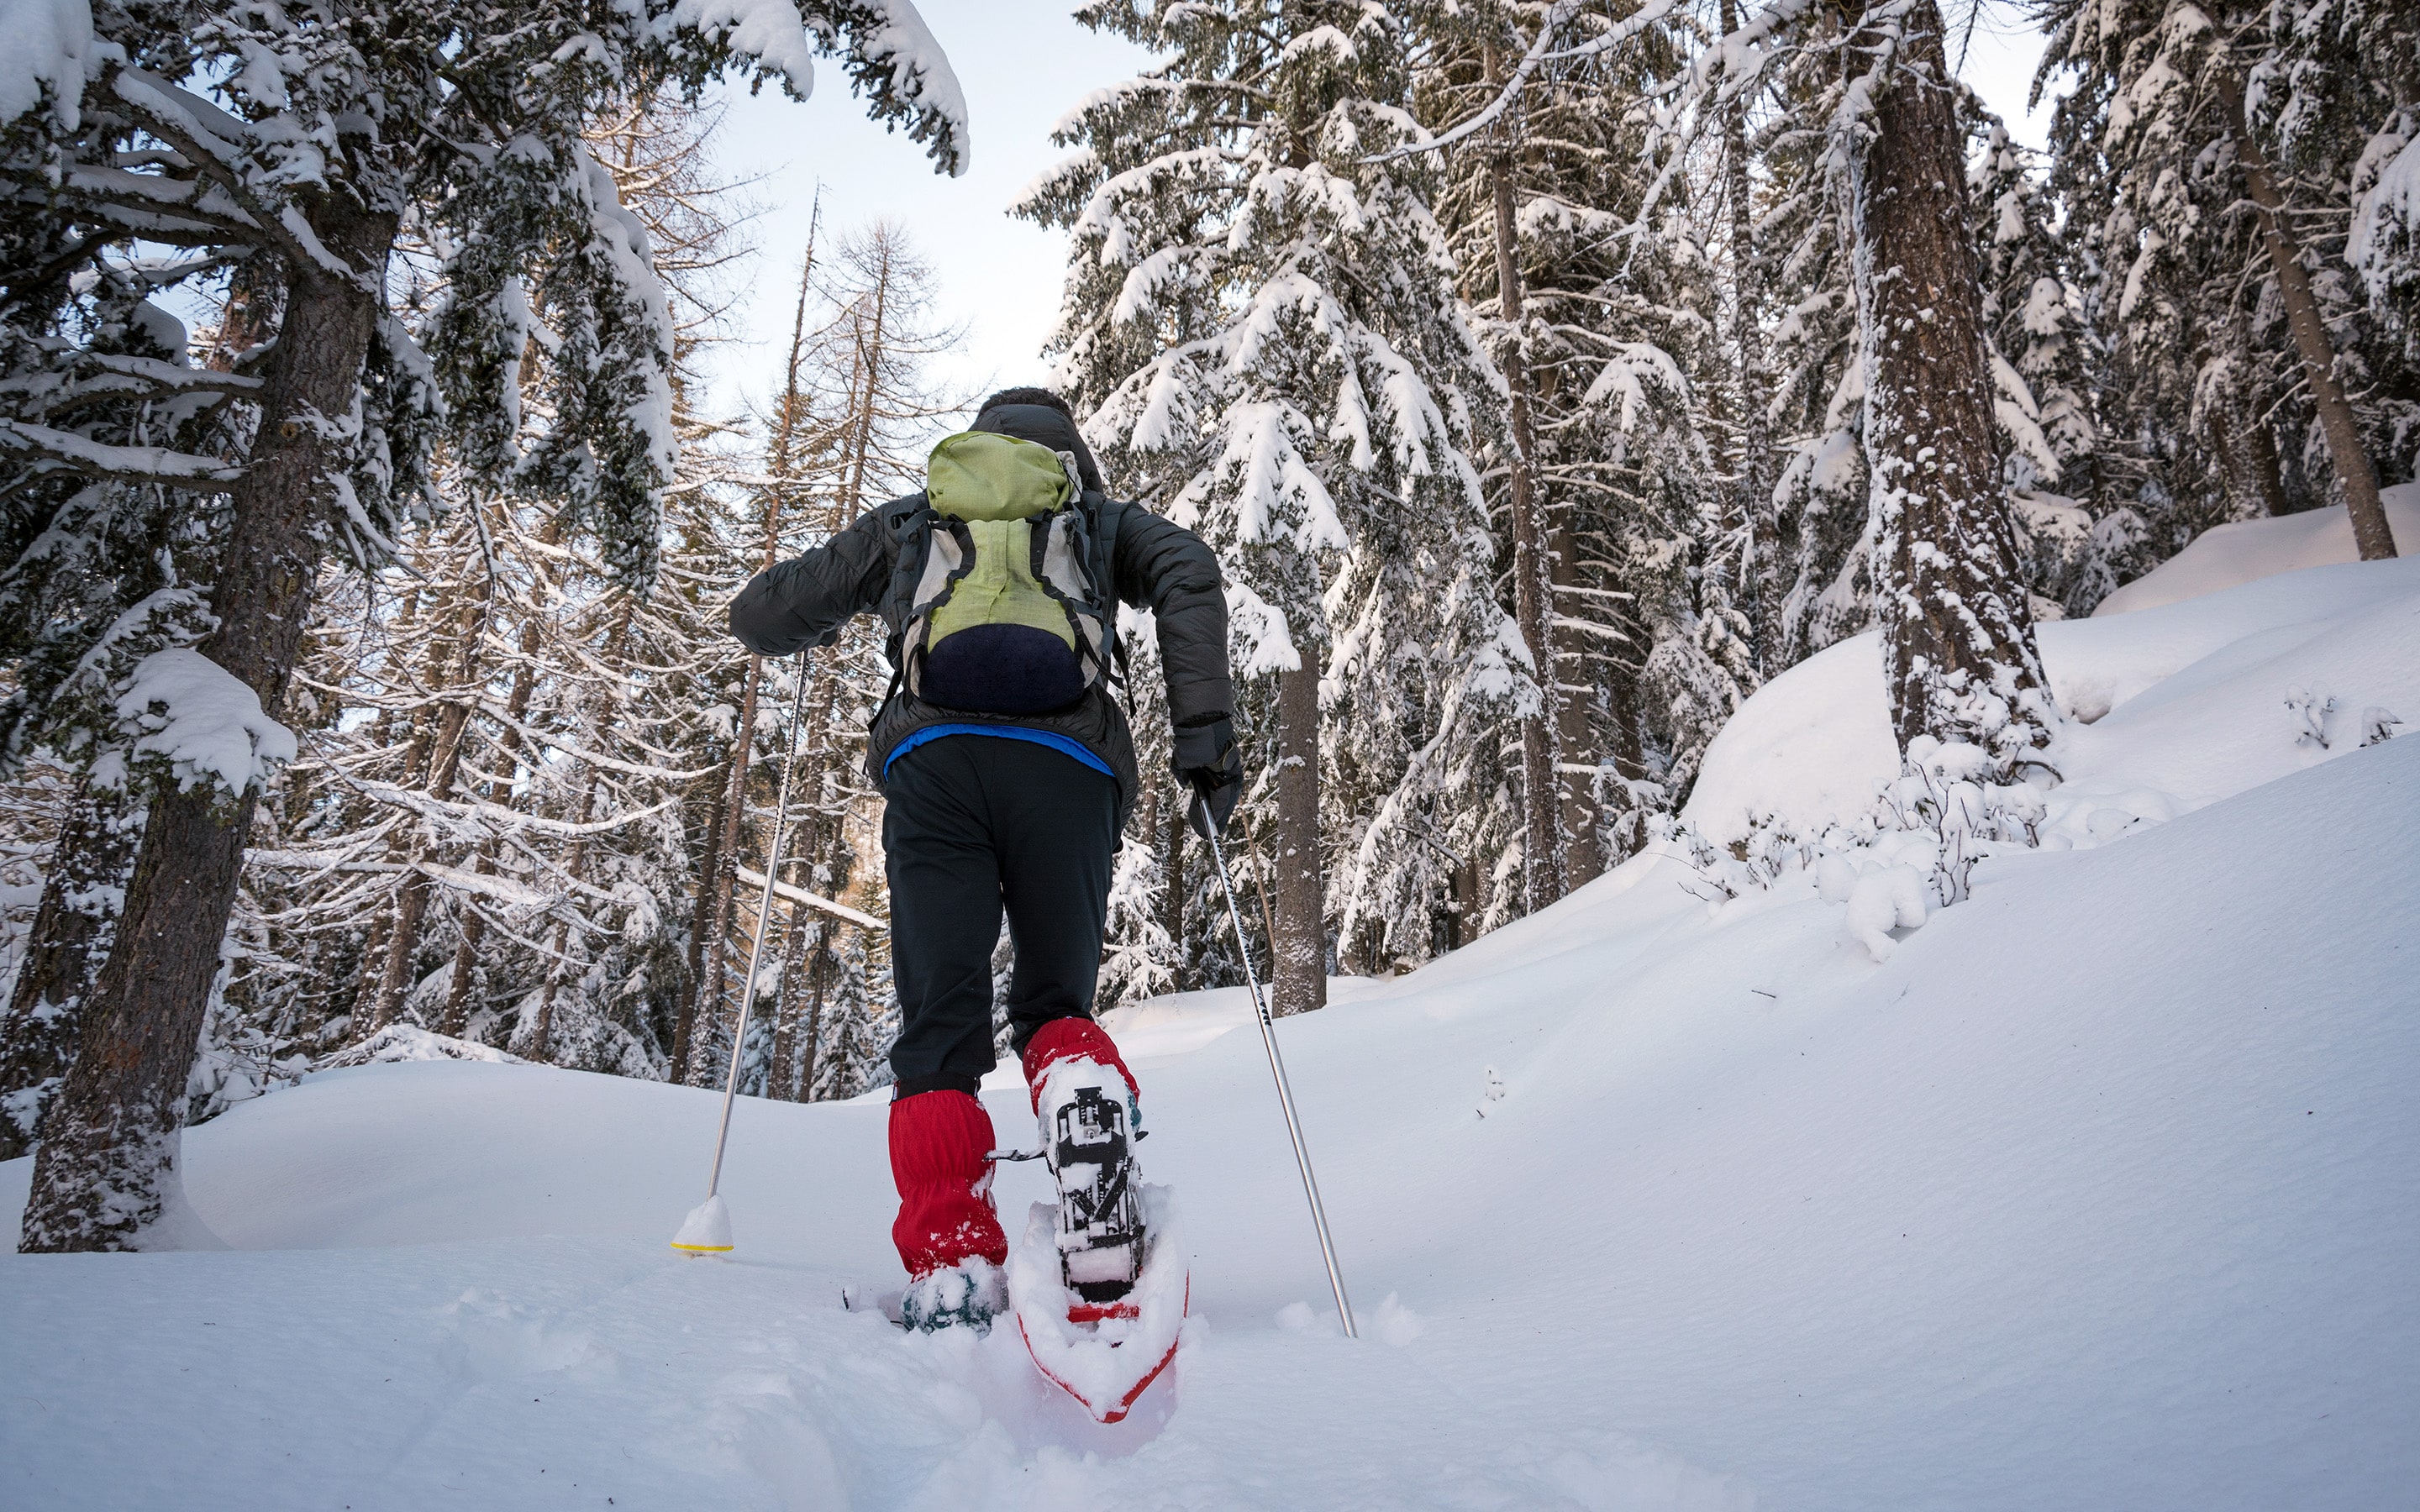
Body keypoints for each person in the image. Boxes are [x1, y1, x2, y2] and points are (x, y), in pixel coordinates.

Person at [728, 386, 1242, 1330]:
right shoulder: (1094, 519)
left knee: (940, 1023)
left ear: (980, 445)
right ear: (1068, 456)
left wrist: (791, 625)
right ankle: (1078, 1092)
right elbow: (1186, 567)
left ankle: (953, 1255)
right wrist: (1205, 732)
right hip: (1071, 766)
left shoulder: (916, 518)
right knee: (1052, 1003)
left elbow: (765, 614)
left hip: (938, 768)